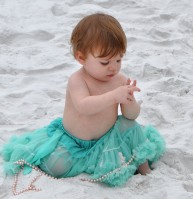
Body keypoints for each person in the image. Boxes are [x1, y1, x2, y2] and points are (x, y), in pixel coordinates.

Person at [1, 13, 165, 188]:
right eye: (105, 62)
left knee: (132, 127)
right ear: (81, 58)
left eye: (119, 59)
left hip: (106, 140)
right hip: (73, 143)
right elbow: (84, 106)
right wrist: (114, 96)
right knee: (56, 167)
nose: (113, 67)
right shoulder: (78, 80)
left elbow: (130, 116)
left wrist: (129, 101)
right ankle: (89, 163)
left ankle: (144, 168)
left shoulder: (119, 80)